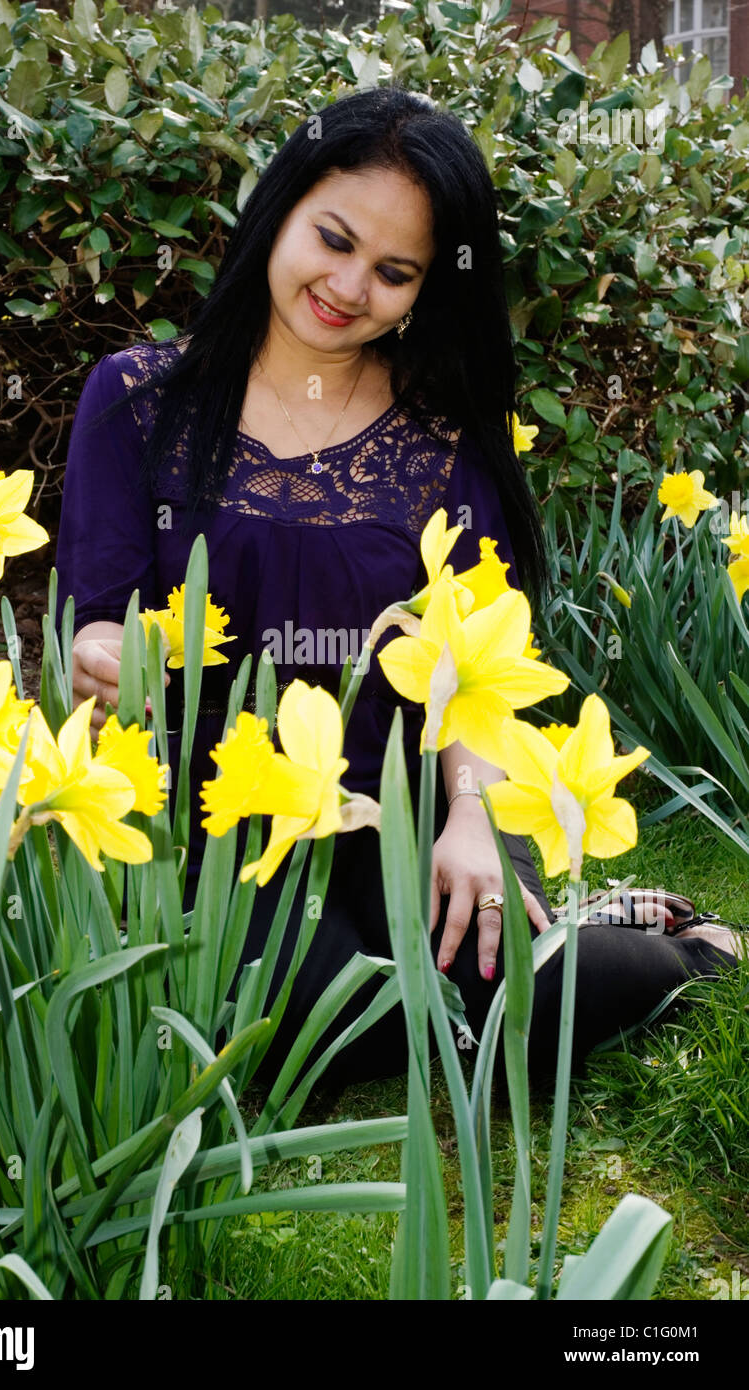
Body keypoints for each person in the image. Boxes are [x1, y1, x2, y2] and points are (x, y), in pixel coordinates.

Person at [54, 86, 740, 1089]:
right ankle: (528, 942)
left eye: (392, 272)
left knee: (525, 1012)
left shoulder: (441, 437)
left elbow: (469, 662)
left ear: (425, 288)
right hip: (225, 815)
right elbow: (96, 621)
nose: (347, 286)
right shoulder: (137, 401)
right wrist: (96, 656)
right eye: (331, 239)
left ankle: (677, 943)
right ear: (279, 211)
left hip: (408, 813)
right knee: (293, 1006)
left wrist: (470, 812)